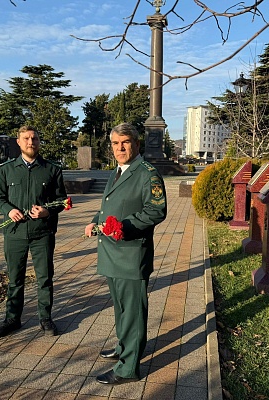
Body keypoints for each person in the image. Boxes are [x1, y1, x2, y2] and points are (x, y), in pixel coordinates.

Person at [84, 122, 167, 384]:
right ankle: (124, 347)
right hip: (111, 252)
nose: (120, 148)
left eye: (125, 142)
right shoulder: (118, 170)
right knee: (120, 308)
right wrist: (95, 220)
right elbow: (109, 204)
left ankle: (128, 368)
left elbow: (156, 210)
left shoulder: (147, 173)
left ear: (136, 144)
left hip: (130, 252)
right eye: (115, 143)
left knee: (132, 311)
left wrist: (124, 227)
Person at [0, 125, 67, 338]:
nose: (30, 142)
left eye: (34, 138)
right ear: (19, 142)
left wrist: (47, 211)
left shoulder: (52, 169)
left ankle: (45, 318)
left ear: (39, 141)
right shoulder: (6, 169)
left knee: (45, 278)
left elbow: (62, 200)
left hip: (42, 233)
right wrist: (9, 210)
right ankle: (12, 319)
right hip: (14, 233)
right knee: (15, 279)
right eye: (26, 138)